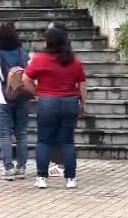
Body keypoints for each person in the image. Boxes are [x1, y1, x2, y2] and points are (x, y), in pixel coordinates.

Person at [23, 26, 87, 190]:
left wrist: (36, 93)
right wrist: (82, 104)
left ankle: (41, 177)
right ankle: (71, 178)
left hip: (47, 102)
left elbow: (25, 79)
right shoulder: (74, 61)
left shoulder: (40, 59)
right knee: (67, 141)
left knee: (44, 140)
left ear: (48, 42)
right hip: (70, 102)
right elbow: (82, 85)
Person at [0, 22, 32, 181]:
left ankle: (8, 168)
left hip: (2, 97)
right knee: (22, 134)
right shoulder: (23, 53)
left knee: (5, 134)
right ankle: (22, 168)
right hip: (23, 96)